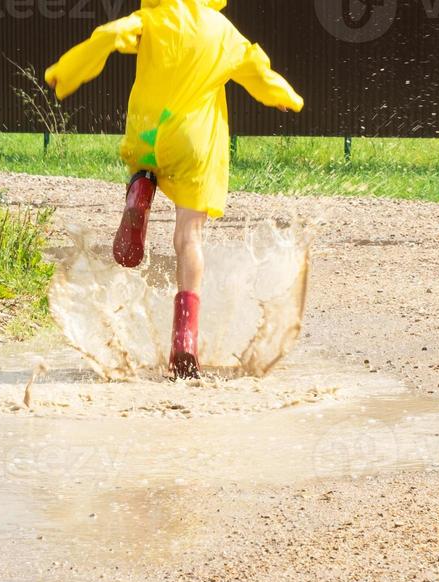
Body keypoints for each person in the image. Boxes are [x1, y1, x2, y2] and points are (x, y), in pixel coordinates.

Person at [45, 0, 303, 378]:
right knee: (189, 237)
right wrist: (286, 96)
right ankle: (184, 337)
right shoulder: (223, 31)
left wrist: (67, 70)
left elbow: (110, 35)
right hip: (194, 143)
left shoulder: (153, 17)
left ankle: (141, 185)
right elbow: (258, 73)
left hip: (148, 133)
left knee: (144, 162)